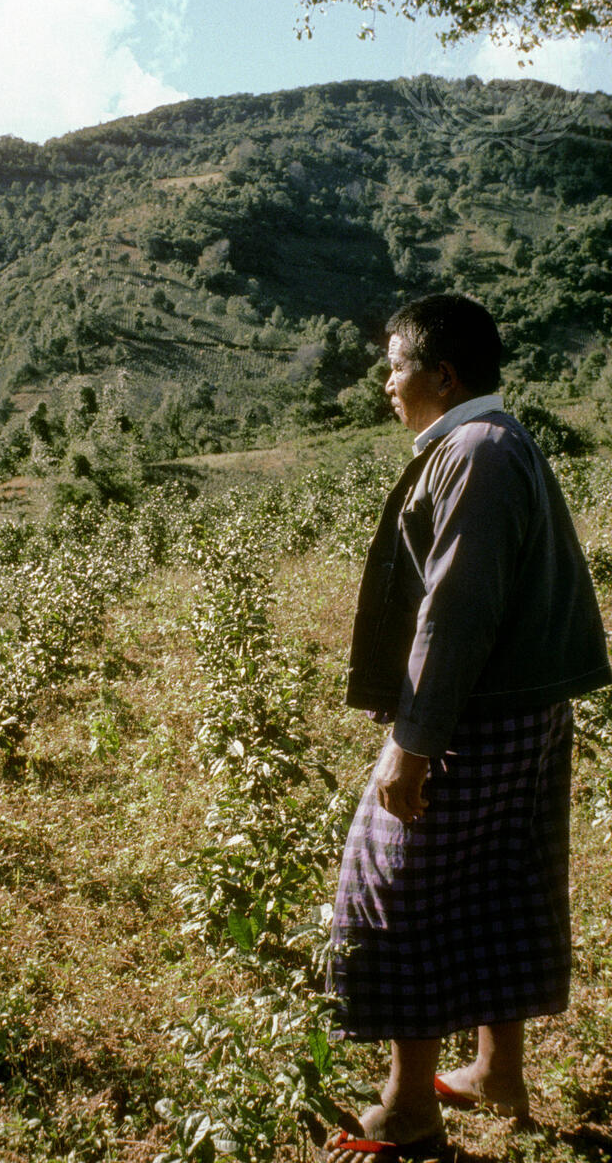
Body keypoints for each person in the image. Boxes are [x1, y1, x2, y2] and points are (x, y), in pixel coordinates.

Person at [325, 294, 611, 1163]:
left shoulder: (477, 453)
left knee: (392, 889)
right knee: (499, 884)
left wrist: (411, 746)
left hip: (474, 721)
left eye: (397, 365)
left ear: (443, 376)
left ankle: (409, 1106)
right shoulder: (492, 441)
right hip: (518, 711)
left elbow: (457, 611)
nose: (386, 381)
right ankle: (497, 1073)